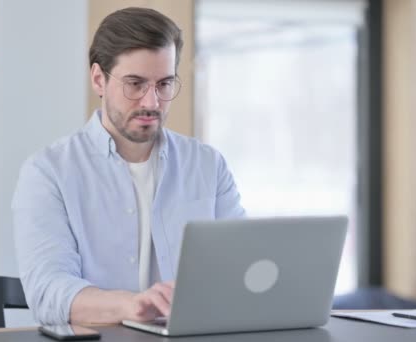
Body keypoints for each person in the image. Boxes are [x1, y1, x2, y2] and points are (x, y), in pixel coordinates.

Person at [12, 7, 245, 326]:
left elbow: (241, 268)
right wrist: (131, 306)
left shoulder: (208, 165)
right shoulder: (47, 173)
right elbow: (48, 293)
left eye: (164, 85)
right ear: (99, 79)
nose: (151, 103)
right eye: (135, 84)